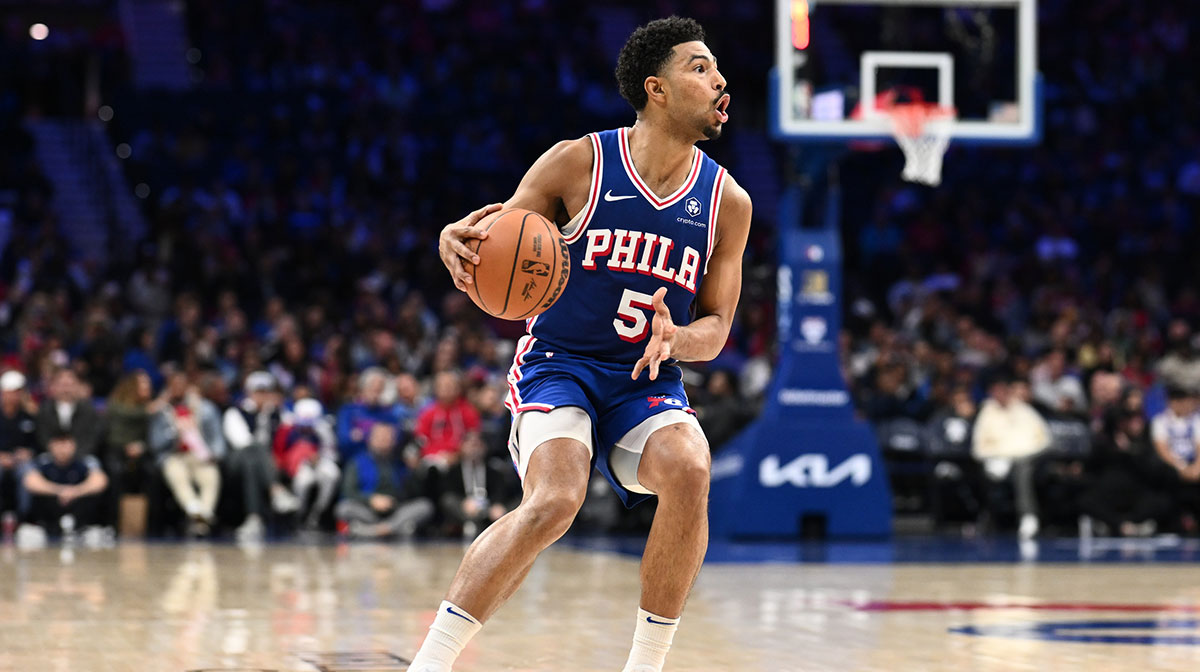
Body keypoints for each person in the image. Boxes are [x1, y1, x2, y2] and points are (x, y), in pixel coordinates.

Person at [413, 17, 750, 672]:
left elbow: (716, 329)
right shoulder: (580, 163)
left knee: (690, 468)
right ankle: (429, 664)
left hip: (644, 383)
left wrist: (680, 337)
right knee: (555, 501)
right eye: (700, 67)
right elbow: (496, 242)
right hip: (559, 367)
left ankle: (644, 667)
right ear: (656, 88)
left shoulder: (726, 202)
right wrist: (450, 241)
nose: (719, 80)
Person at [972, 371, 1051, 539]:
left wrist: (1021, 454)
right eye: (996, 391)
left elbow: (1045, 439)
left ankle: (1028, 516)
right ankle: (989, 518)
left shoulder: (1024, 410)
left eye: (1003, 390)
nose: (1000, 394)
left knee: (1023, 470)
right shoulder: (987, 412)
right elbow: (977, 447)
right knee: (992, 472)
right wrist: (997, 456)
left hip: (1026, 458)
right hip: (996, 460)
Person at [222, 371, 299, 541]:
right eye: (258, 391)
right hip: (236, 462)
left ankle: (254, 519)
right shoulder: (235, 412)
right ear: (249, 392)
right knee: (253, 453)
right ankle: (276, 491)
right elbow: (243, 442)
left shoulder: (277, 413)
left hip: (261, 465)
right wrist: (263, 418)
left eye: (266, 392)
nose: (262, 396)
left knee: (253, 465)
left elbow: (293, 429)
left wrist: (270, 412)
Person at [150, 372, 226, 536]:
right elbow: (155, 444)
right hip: (173, 455)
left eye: (181, 385)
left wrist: (215, 455)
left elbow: (217, 437)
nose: (178, 389)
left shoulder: (205, 408)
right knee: (176, 474)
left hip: (200, 455)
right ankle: (194, 509)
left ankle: (203, 516)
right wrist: (174, 432)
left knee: (211, 475)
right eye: (174, 385)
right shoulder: (161, 410)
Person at [334, 422, 434, 539]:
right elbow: (348, 491)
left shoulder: (400, 463)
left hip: (395, 510)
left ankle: (373, 531)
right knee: (343, 508)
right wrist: (371, 500)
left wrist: (415, 471)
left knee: (425, 506)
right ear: (370, 439)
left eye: (388, 437)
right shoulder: (357, 462)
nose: (384, 441)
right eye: (380, 437)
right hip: (368, 510)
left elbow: (413, 493)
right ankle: (395, 529)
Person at [21, 432, 110, 541]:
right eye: (59, 445)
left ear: (74, 446)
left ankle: (86, 529)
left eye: (66, 445)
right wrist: (60, 491)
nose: (62, 450)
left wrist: (75, 491)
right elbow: (30, 481)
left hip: (77, 505)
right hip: (52, 507)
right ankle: (44, 528)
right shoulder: (43, 461)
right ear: (51, 446)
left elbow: (100, 481)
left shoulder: (85, 461)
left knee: (92, 497)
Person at [273, 398, 340, 530]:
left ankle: (317, 514)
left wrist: (319, 456)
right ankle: (299, 515)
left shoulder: (323, 429)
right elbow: (279, 452)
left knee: (333, 475)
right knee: (304, 481)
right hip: (298, 466)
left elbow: (332, 452)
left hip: (320, 463)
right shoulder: (289, 429)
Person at [439, 431, 520, 539]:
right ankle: (473, 524)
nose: (474, 449)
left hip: (489, 507)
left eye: (477, 445)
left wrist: (497, 504)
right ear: (462, 447)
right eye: (471, 445)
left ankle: (492, 525)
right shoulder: (454, 470)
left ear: (484, 447)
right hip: (466, 509)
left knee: (517, 503)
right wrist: (464, 502)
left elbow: (500, 491)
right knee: (448, 500)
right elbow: (449, 491)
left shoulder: (493, 470)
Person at [1149, 386, 1200, 533]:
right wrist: (1181, 467)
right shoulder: (1160, 421)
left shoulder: (1196, 420)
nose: (1189, 404)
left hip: (1193, 465)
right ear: (1174, 402)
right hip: (1172, 467)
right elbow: (1162, 449)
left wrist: (1197, 468)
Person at [413, 370, 479, 466]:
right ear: (436, 389)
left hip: (460, 459)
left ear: (458, 388)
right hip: (432, 459)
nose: (447, 389)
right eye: (443, 386)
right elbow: (421, 439)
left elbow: (473, 437)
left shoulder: (468, 411)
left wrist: (457, 454)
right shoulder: (428, 413)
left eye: (450, 386)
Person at [35, 368, 102, 458]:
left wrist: (74, 453)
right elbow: (42, 436)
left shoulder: (88, 410)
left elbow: (92, 438)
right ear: (54, 386)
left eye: (70, 385)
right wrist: (55, 450)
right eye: (62, 385)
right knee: (33, 470)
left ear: (78, 386)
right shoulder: (44, 409)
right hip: (50, 456)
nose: (66, 390)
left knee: (95, 470)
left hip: (82, 456)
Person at [0, 371, 38, 518]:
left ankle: (24, 518)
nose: (13, 396)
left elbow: (37, 444)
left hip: (21, 461)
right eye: (10, 392)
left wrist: (28, 452)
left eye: (17, 392)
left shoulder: (28, 415)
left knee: (29, 474)